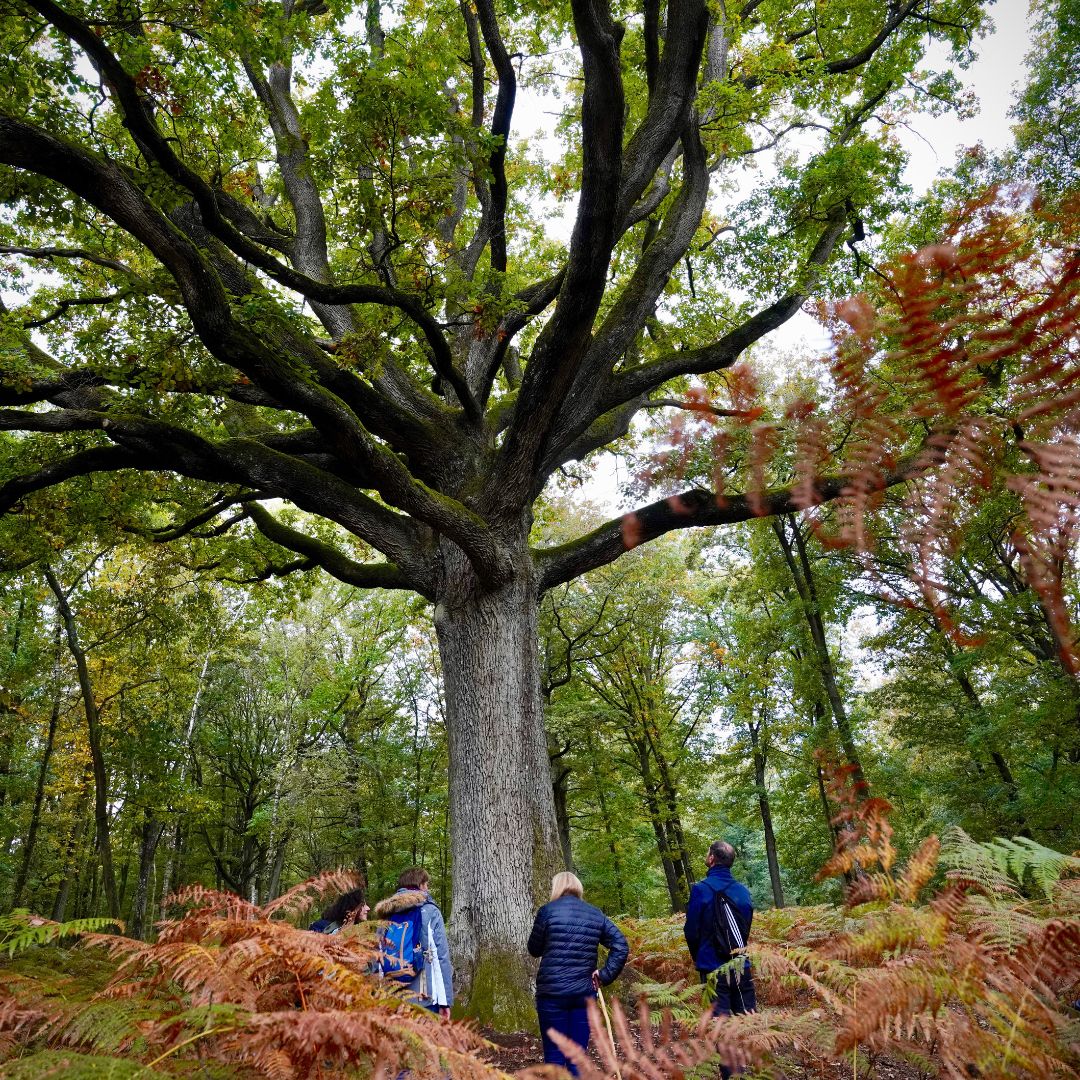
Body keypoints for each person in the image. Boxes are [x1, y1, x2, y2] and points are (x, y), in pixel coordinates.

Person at [528, 871, 629, 1077]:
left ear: (556, 887)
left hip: (552, 995)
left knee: (554, 1057)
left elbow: (534, 948)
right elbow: (621, 944)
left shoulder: (547, 912)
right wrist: (604, 975)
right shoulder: (594, 913)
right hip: (584, 993)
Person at [684, 840, 756, 1018]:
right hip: (741, 965)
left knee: (719, 1027)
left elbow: (691, 931)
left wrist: (699, 957)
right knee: (749, 1024)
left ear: (712, 858)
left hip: (712, 967)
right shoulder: (743, 891)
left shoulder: (700, 890)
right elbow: (745, 926)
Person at [374, 867, 453, 1017]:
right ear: (421, 885)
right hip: (424, 995)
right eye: (427, 884)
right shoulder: (429, 911)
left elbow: (377, 957)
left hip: (393, 995)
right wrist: (445, 1001)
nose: (428, 888)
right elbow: (440, 956)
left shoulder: (385, 914)